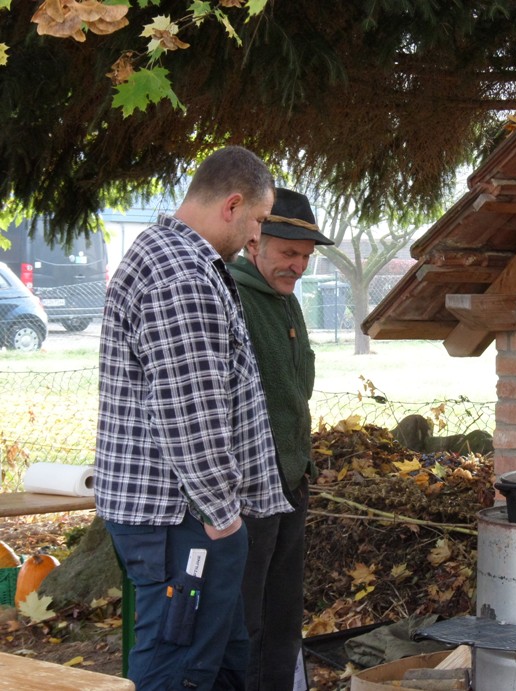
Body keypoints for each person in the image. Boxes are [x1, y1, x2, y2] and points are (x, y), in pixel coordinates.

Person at [95, 146, 294, 691]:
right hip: (182, 518)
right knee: (179, 669)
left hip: (185, 514)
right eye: (257, 220)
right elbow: (191, 413)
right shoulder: (182, 275)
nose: (257, 238)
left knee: (220, 662)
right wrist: (223, 517)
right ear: (232, 205)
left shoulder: (171, 257)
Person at [228, 188, 334, 690]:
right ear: (255, 243)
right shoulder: (234, 295)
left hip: (291, 482)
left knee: (283, 615)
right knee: (246, 621)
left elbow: (299, 387)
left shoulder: (286, 302)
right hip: (248, 488)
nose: (298, 266)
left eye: (305, 257)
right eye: (288, 253)